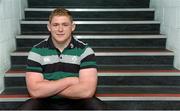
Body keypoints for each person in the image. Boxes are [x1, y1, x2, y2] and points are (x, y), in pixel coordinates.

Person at [18, 8, 107, 110]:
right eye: (55, 25)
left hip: (78, 101)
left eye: (65, 25)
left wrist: (48, 87)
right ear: (49, 27)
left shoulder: (84, 51)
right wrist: (70, 81)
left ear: (72, 27)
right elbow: (35, 91)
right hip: (45, 101)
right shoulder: (37, 51)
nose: (60, 29)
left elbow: (87, 91)